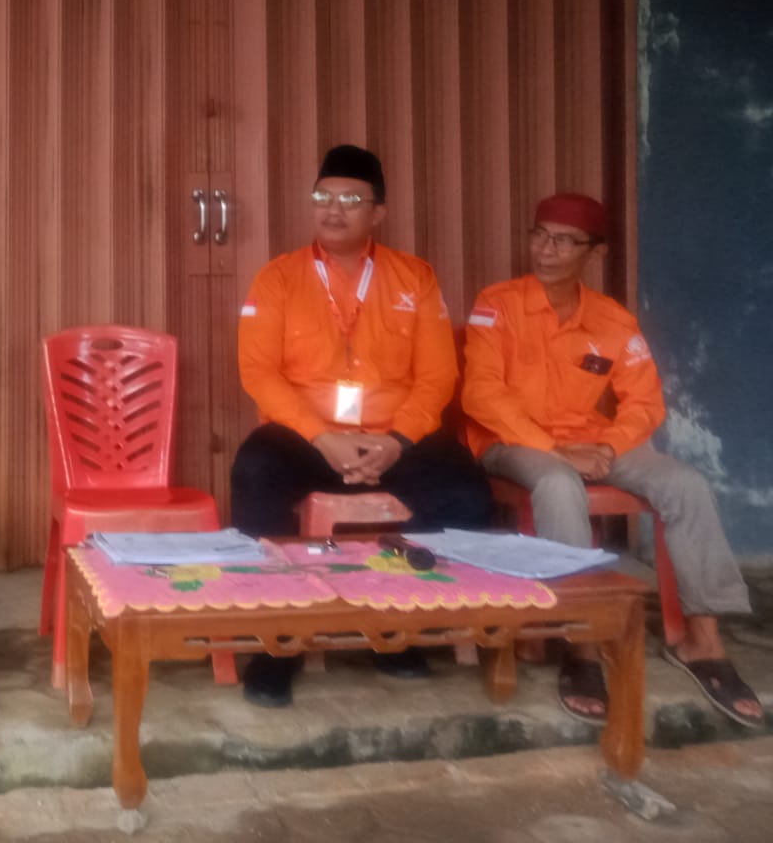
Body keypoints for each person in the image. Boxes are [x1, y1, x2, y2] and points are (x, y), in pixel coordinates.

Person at [463, 193, 763, 728]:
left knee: (686, 484)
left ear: (594, 253)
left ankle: (702, 641)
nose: (546, 250)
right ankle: (581, 644)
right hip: (513, 443)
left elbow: (644, 403)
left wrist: (607, 447)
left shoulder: (612, 319)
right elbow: (482, 395)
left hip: (592, 444)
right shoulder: (497, 304)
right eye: (540, 235)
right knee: (559, 483)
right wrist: (554, 449)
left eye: (564, 241)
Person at [231, 144, 493, 708]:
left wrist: (397, 441)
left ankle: (396, 627)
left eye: (350, 199)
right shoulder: (278, 279)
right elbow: (259, 372)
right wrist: (322, 437)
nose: (333, 209)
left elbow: (437, 377)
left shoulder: (414, 279)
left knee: (466, 489)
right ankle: (277, 642)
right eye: (322, 197)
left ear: (378, 213)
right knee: (254, 470)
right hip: (307, 438)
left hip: (392, 437)